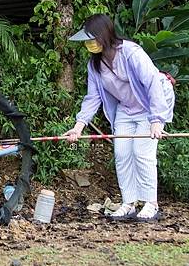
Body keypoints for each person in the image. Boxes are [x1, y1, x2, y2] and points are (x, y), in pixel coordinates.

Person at [64, 14, 174, 222]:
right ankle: (128, 203)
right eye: (86, 41)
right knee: (122, 154)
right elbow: (93, 97)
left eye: (91, 39)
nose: (89, 44)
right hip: (125, 110)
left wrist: (157, 120)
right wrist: (79, 126)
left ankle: (151, 204)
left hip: (148, 108)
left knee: (142, 154)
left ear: (104, 35)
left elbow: (153, 82)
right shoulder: (95, 65)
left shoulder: (131, 53)